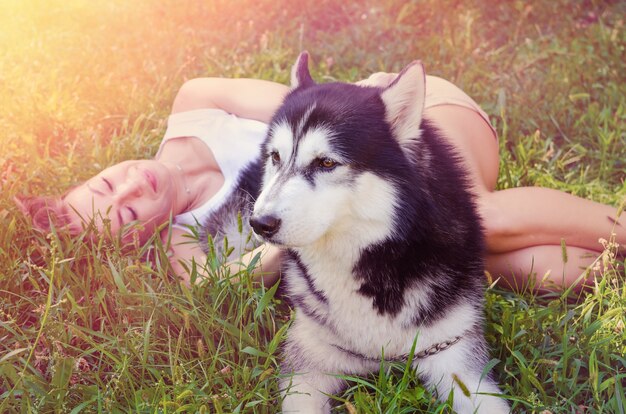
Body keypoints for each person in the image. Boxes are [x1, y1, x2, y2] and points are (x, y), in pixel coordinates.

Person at [15, 71, 625, 291]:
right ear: (136, 239)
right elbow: (219, 283)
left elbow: (319, 106)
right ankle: (614, 271)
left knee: (470, 219)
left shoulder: (196, 101)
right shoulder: (182, 239)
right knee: (497, 265)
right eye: (123, 212)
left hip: (406, 118)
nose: (130, 188)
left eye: (104, 184)